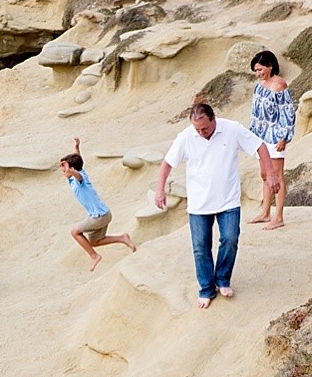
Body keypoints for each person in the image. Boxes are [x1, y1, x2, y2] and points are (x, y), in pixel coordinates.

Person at [155, 103, 280, 309]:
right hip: (198, 203)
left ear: (214, 119)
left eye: (205, 128)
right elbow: (167, 163)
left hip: (228, 200)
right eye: (197, 129)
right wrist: (160, 190)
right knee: (200, 248)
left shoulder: (231, 129)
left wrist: (270, 175)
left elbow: (260, 146)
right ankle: (206, 288)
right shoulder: (186, 137)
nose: (201, 133)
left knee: (230, 239)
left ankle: (222, 279)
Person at [60, 137, 136, 272]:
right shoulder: (75, 175)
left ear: (71, 169)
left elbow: (78, 175)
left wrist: (70, 170)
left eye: (64, 168)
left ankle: (94, 256)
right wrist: (76, 146)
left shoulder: (80, 179)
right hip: (104, 214)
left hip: (99, 216)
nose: (63, 170)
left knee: (75, 232)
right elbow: (78, 160)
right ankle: (122, 238)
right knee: (94, 241)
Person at [247, 50, 296, 230]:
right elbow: (255, 112)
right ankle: (265, 212)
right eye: (256, 71)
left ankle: (279, 216)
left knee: (277, 176)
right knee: (264, 174)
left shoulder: (280, 85)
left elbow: (288, 114)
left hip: (276, 136)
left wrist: (284, 137)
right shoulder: (260, 85)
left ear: (270, 66)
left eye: (260, 69)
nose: (258, 73)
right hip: (261, 136)